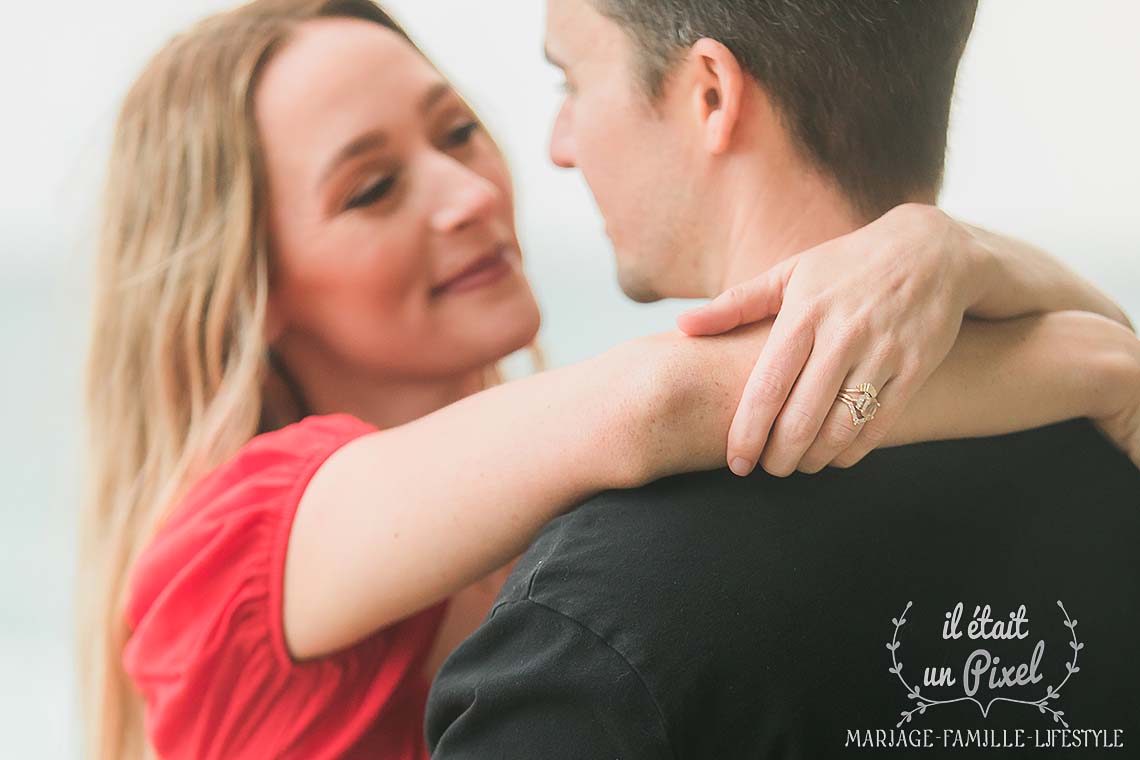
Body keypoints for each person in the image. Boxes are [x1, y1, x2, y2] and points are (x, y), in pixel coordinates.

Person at [75, 1, 1138, 759]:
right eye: (373, 188)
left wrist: (962, 258)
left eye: (457, 131)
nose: (467, 194)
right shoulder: (229, 556)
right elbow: (661, 404)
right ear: (250, 286)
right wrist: (1095, 361)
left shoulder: (550, 510)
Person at [424, 1, 1140, 758]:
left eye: (570, 82)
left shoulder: (591, 632)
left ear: (711, 94)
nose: (559, 145)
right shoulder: (1107, 444)